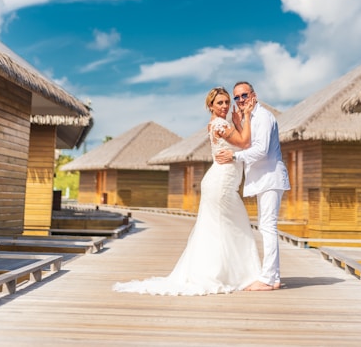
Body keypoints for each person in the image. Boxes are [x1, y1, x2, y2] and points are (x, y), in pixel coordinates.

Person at [113, 86, 261, 296]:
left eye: (227, 102)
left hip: (223, 180)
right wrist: (246, 114)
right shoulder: (219, 124)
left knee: (224, 227)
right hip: (221, 182)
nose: (225, 106)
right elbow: (245, 142)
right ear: (210, 106)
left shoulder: (224, 123)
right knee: (231, 226)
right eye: (220, 103)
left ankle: (229, 273)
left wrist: (238, 122)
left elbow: (241, 142)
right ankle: (221, 274)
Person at [215, 81, 290, 291]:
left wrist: (234, 156)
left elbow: (261, 150)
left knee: (268, 227)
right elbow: (247, 142)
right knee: (266, 226)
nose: (240, 100)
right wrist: (239, 123)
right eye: (237, 97)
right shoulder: (250, 117)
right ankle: (272, 276)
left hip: (270, 177)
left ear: (253, 95)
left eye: (244, 96)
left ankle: (268, 278)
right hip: (262, 178)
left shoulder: (264, 117)